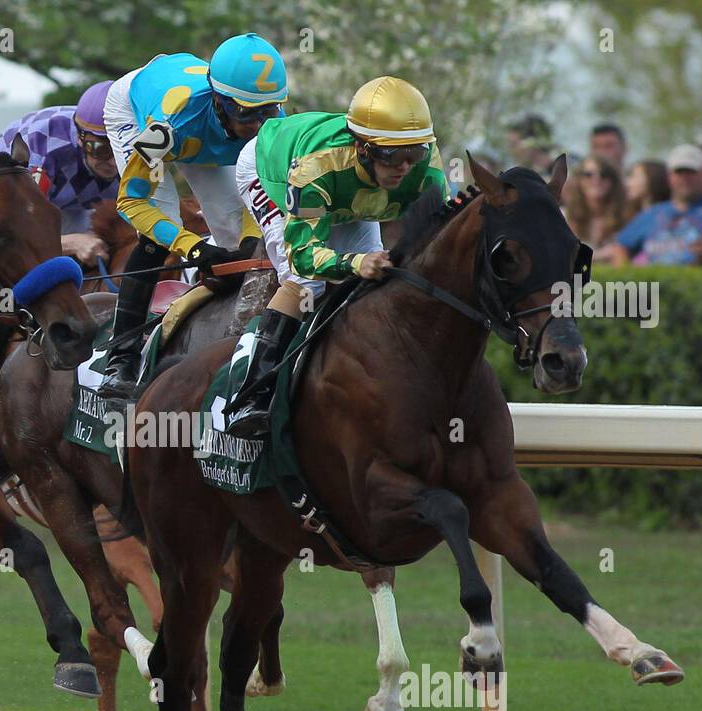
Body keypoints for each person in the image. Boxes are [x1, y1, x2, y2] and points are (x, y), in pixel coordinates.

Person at [223, 76, 448, 437]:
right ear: (362, 148)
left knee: (378, 275)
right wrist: (354, 263)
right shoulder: (317, 166)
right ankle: (251, 394)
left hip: (349, 193)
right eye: (392, 155)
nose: (405, 167)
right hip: (273, 173)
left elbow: (437, 245)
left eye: (414, 153)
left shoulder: (429, 170)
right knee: (306, 283)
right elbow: (304, 256)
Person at [96, 33, 289, 398]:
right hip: (139, 108)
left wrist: (249, 238)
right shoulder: (167, 127)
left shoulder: (271, 118)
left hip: (198, 122)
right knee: (157, 233)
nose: (259, 126)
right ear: (219, 100)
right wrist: (192, 248)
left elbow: (262, 193)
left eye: (267, 111)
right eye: (247, 113)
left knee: (240, 236)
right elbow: (133, 202)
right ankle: (120, 357)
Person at [0, 81, 118, 264]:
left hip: (72, 202)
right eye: (101, 149)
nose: (113, 161)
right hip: (9, 194)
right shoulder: (39, 151)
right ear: (80, 137)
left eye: (120, 150)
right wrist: (73, 243)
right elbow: (17, 238)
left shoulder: (143, 150)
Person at [603, 144, 702, 269]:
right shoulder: (653, 213)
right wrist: (626, 277)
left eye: (691, 172)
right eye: (679, 172)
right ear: (669, 177)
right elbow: (621, 246)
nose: (685, 179)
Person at [565, 155, 629, 252]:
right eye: (588, 175)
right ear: (579, 181)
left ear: (613, 181)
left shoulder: (626, 216)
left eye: (604, 174)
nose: (596, 179)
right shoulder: (564, 217)